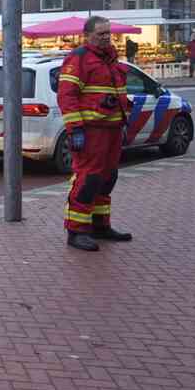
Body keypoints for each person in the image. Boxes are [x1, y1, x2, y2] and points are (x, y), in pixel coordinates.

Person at [56, 16, 133, 252]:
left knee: (107, 178)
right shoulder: (79, 58)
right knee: (88, 179)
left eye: (108, 33)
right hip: (91, 131)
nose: (106, 37)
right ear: (87, 35)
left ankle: (100, 226)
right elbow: (66, 96)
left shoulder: (111, 61)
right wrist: (75, 128)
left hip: (112, 129)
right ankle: (76, 231)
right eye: (101, 34)